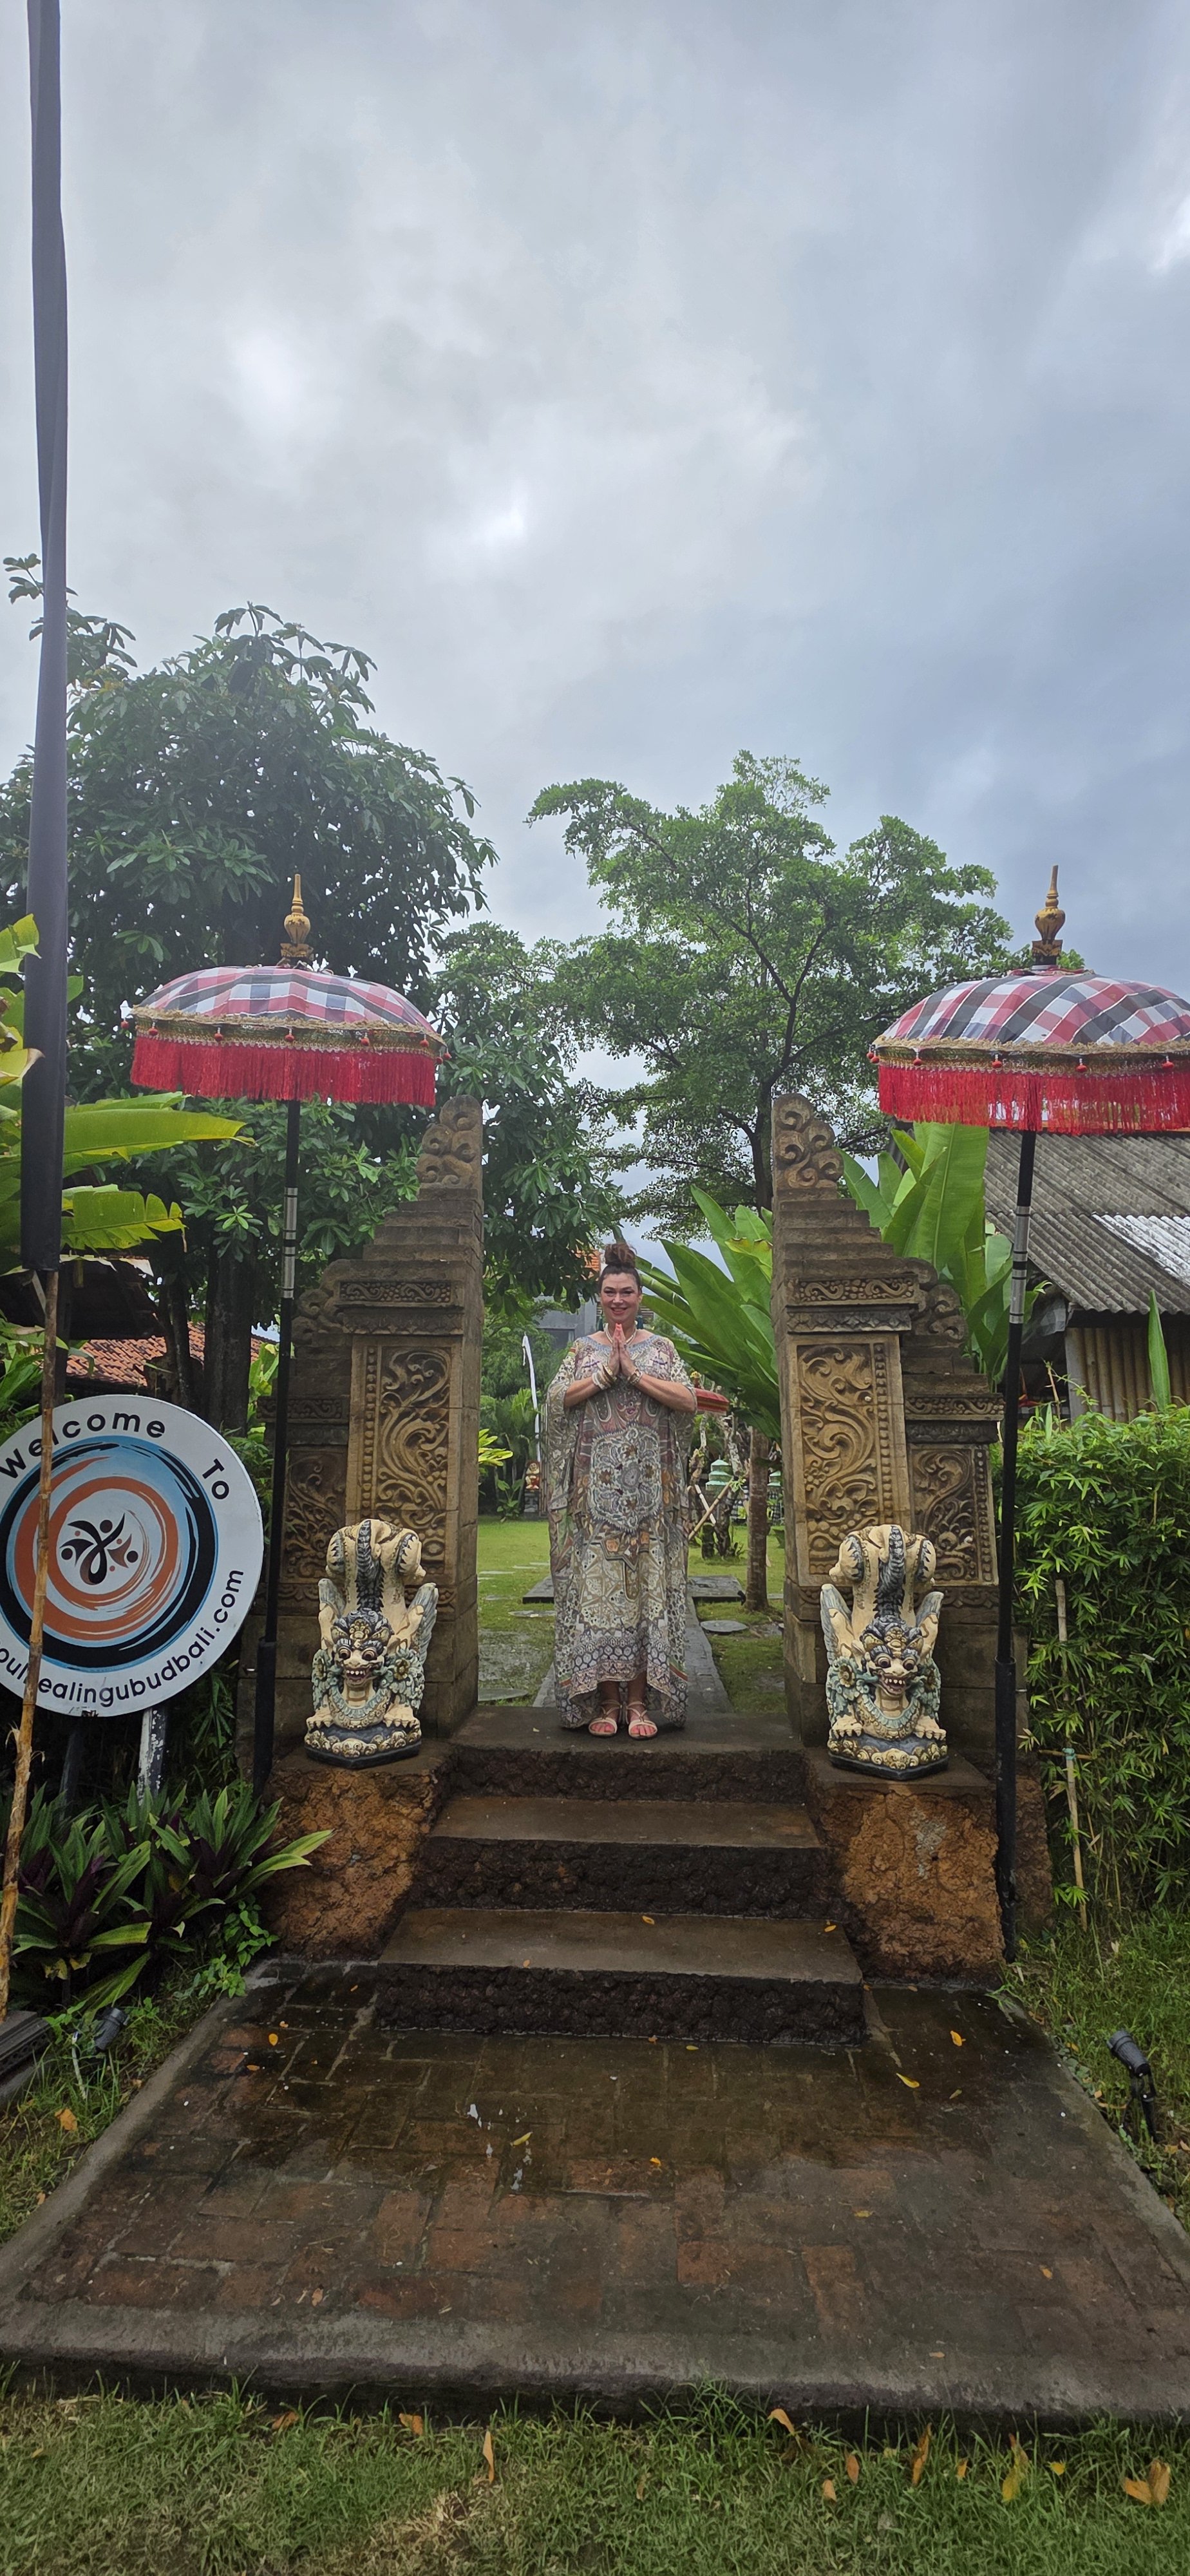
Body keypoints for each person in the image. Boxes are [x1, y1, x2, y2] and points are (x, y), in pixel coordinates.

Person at [543, 1244, 697, 1737]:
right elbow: (555, 1402)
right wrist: (605, 1374)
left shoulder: (662, 1350)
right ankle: (607, 1705)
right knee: (599, 1596)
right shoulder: (583, 1350)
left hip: (651, 1500)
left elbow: (688, 1401)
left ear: (640, 1295)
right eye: (609, 1292)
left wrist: (634, 1373)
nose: (618, 1300)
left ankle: (640, 1703)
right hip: (595, 1503)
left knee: (645, 1593)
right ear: (600, 1294)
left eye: (626, 1292)